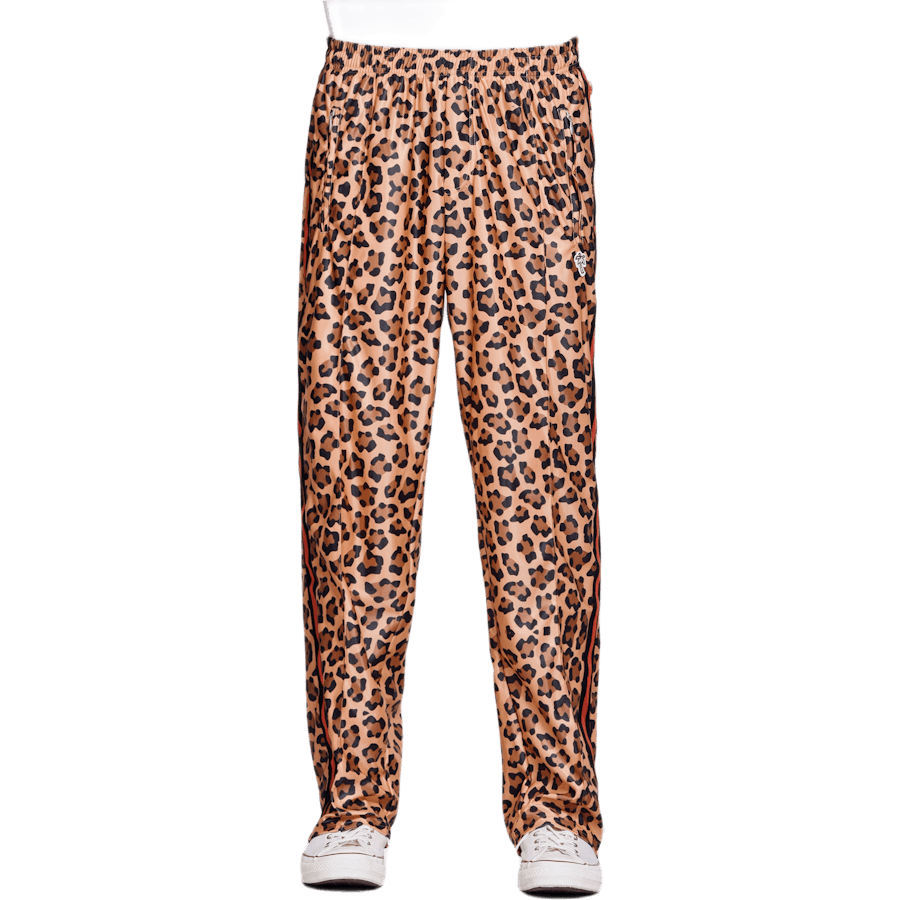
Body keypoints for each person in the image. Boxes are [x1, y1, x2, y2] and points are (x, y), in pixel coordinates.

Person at [297, 5, 605, 894]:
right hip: (369, 87)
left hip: (529, 83)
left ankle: (557, 808)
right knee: (355, 452)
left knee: (539, 459)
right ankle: (351, 805)